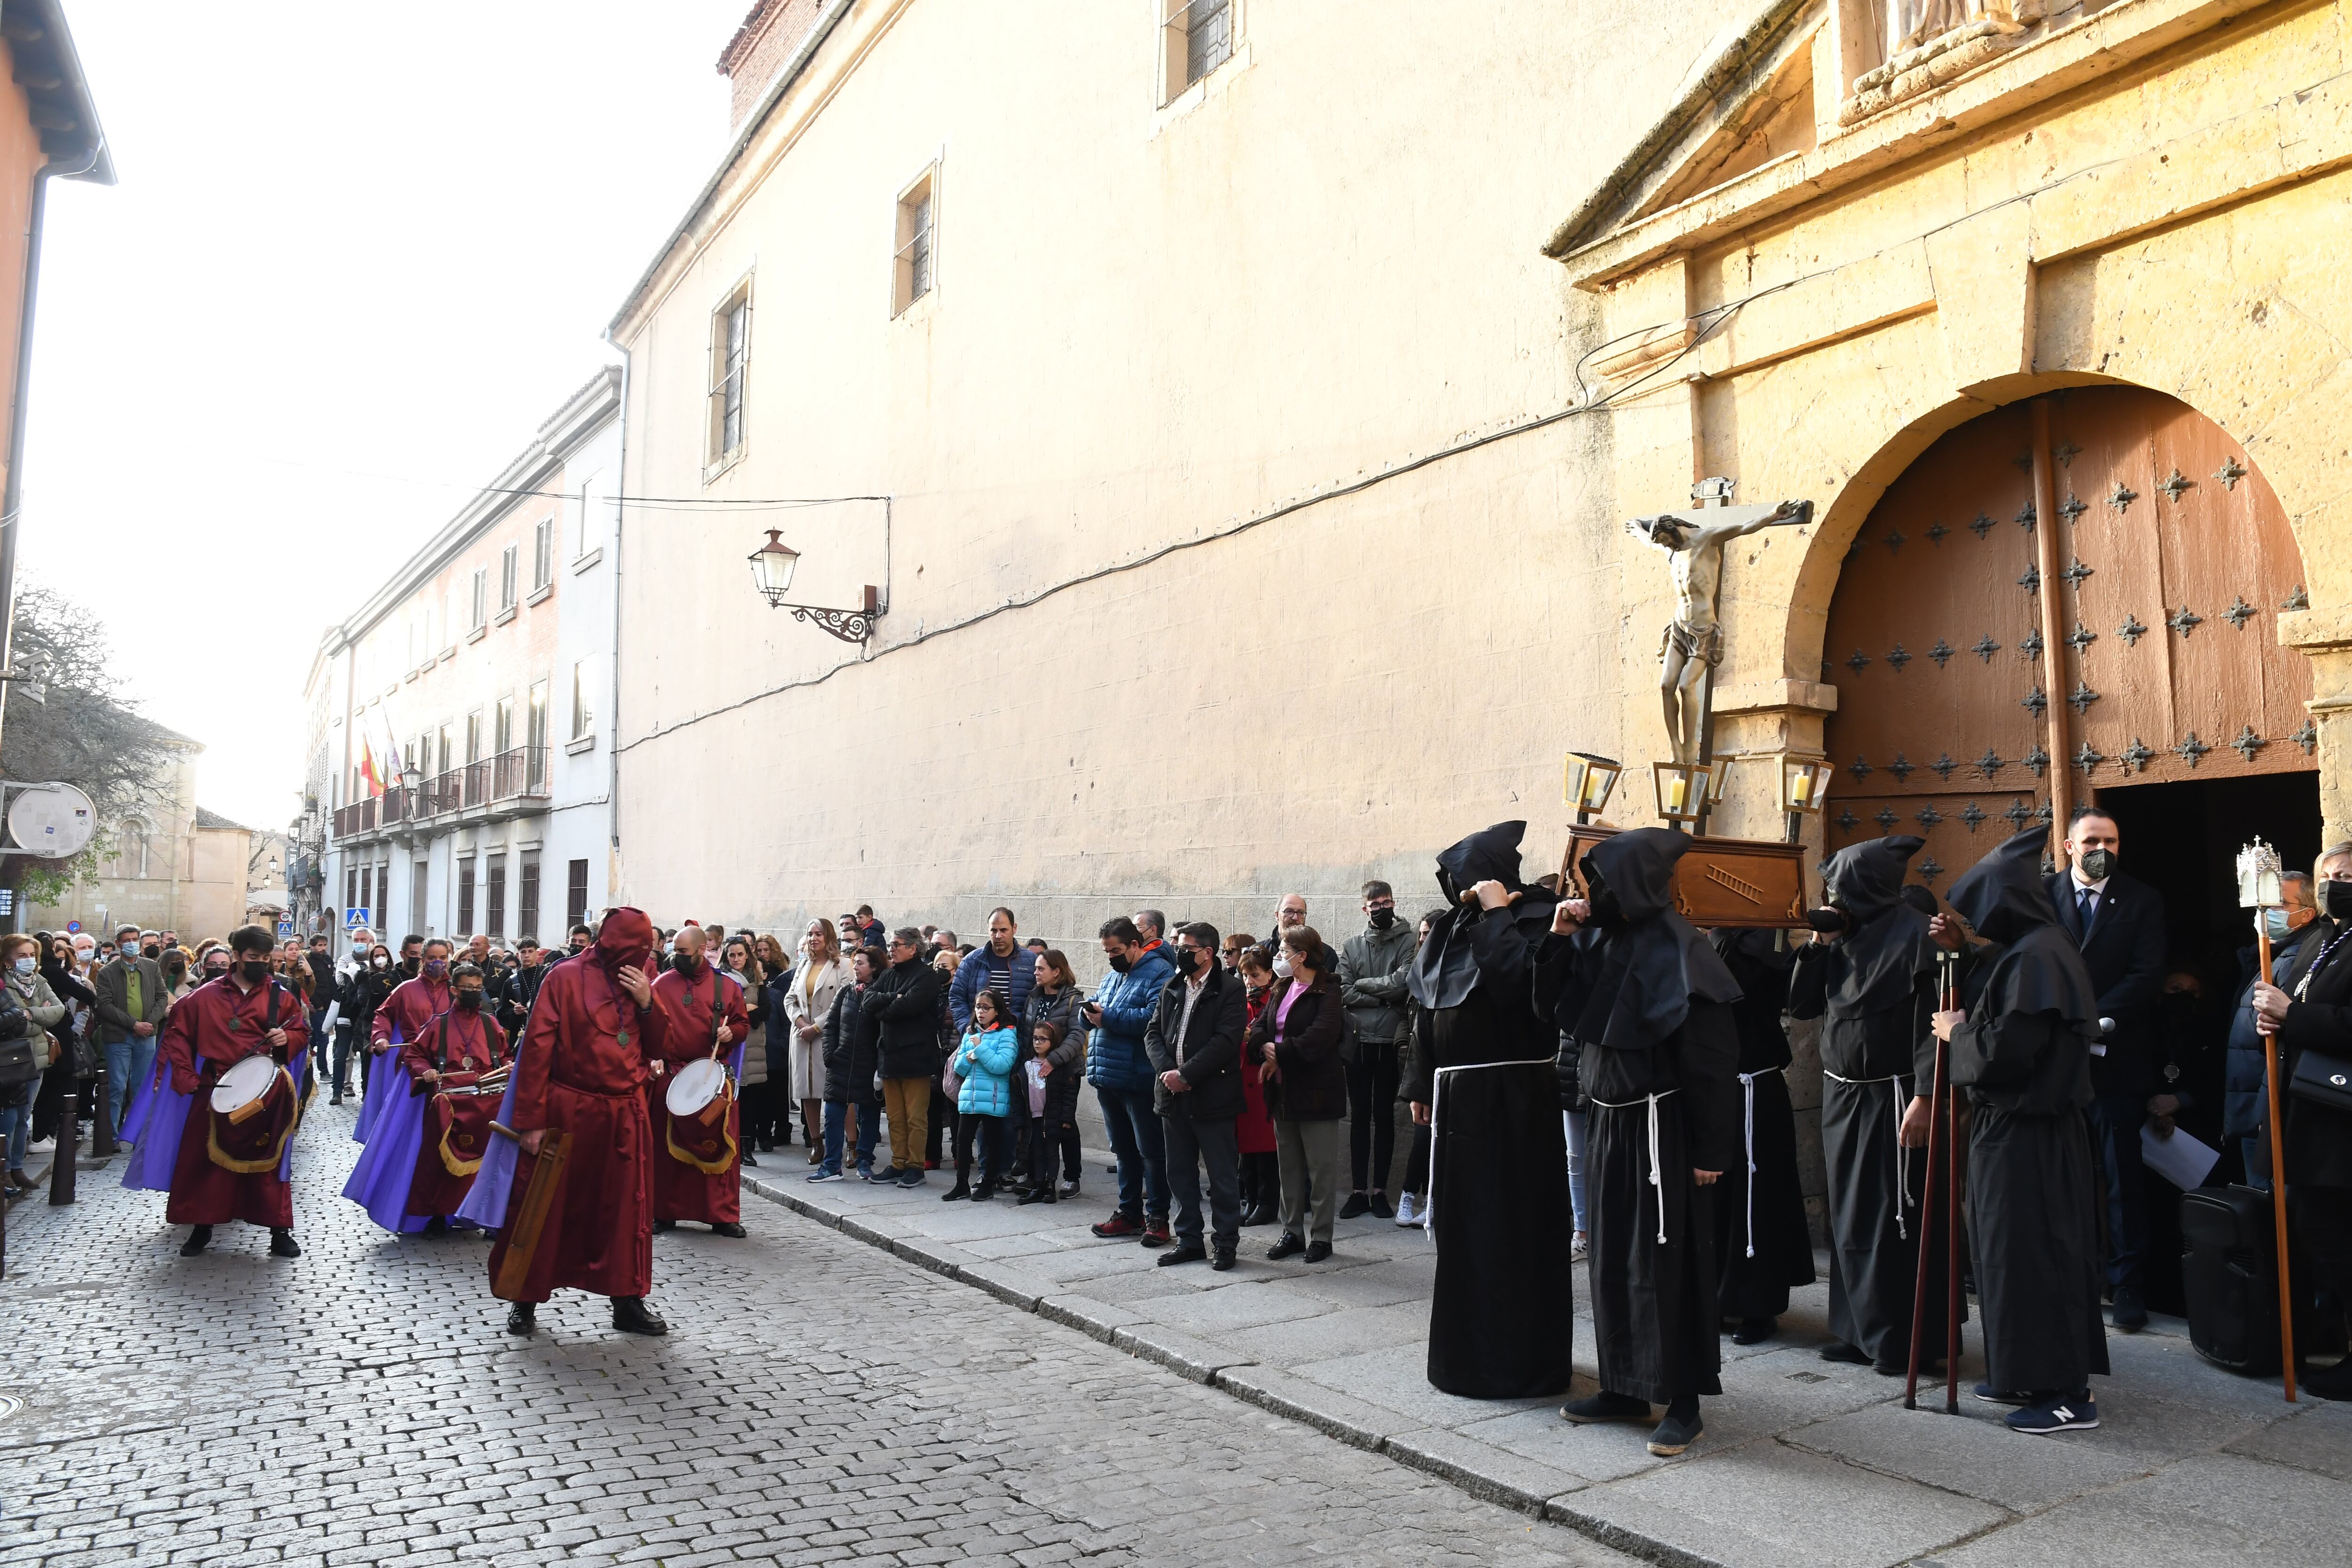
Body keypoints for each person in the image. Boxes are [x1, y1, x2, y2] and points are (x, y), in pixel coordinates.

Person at [1542, 828, 1739, 1456]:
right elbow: (1551, 1004)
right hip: (1608, 1124)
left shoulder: (1687, 955)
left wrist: (1712, 1151)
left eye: (1600, 884)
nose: (1590, 894)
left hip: (1666, 1134)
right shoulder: (1599, 941)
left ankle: (1683, 1402)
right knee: (1611, 1262)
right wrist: (1558, 938)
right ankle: (1625, 1384)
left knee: (1668, 1266)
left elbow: (1711, 1062)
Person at [1397, 825, 1576, 1399]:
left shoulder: (1539, 916)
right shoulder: (1450, 927)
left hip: (1516, 1104)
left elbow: (1520, 989)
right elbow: (1424, 1009)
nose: (1458, 890)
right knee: (1463, 1234)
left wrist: (1500, 914)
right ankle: (1464, 1360)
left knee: (1511, 1231)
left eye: (1467, 876)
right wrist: (1420, 1081)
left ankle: (1518, 1365)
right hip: (1457, 1102)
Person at [1939, 826, 2108, 1431]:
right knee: (2005, 1257)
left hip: (2030, 1136)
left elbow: (2009, 1051)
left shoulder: (2040, 955)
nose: (1981, 925)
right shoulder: (2031, 950)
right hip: (2008, 1132)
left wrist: (1954, 1033)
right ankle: (2022, 1373)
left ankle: (2065, 1394)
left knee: (2037, 1257)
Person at [1787, 835, 1957, 1373]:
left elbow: (1936, 1028)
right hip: (1842, 1094)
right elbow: (1801, 1005)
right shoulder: (1841, 938)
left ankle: (1901, 1338)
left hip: (1896, 1096)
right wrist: (1816, 946)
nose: (1834, 898)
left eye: (1841, 888)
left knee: (1893, 1215)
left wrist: (1926, 1097)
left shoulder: (1920, 938)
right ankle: (1856, 1328)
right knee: (1848, 1215)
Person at [481, 907, 672, 1336]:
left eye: (644, 951)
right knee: (542, 1204)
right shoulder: (563, 977)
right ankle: (523, 1298)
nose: (637, 959)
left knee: (626, 1209)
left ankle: (627, 1299)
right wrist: (530, 1120)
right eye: (630, 950)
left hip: (625, 1114)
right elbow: (535, 1053)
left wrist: (647, 1004)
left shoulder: (643, 983)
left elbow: (664, 1045)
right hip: (568, 1111)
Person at [2044, 806, 2167, 1333]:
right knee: (2054, 1174)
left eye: (2111, 841)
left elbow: (2146, 973)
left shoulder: (2141, 900)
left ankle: (2127, 1285)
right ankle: (2063, 1277)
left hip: (2114, 1061)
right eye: (2091, 840)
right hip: (2050, 1061)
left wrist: (2095, 1021)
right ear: (2068, 846)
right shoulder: (2040, 897)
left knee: (2121, 1179)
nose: (2102, 849)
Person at [2249, 842, 2352, 1397]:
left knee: (2336, 1233)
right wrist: (2274, 1017)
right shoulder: (2322, 937)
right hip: (2307, 1114)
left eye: (2347, 875)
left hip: (2341, 1121)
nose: (2337, 883)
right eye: (2329, 875)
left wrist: (2295, 1015)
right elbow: (2294, 1003)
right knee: (2318, 1230)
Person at [154, 925, 310, 1258]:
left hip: (266, 1092)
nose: (261, 964)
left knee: (270, 1162)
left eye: (267, 959)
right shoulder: (204, 996)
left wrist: (289, 1040)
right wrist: (187, 1077)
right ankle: (202, 1226)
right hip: (216, 1088)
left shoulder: (281, 996)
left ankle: (279, 1230)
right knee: (205, 1163)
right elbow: (177, 1034)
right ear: (237, 955)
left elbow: (300, 1030)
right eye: (254, 957)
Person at [1707, 929, 1818, 1344]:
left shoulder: (1767, 939)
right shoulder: (1710, 937)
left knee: (1759, 1200)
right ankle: (1718, 1296)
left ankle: (1759, 1304)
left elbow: (1756, 990)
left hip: (1756, 1086)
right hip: (1718, 1087)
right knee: (1718, 1197)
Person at [1144, 922, 1247, 1269]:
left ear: (1208, 952)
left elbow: (1226, 1041)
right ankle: (1189, 1239)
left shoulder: (1230, 989)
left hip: (1213, 1095)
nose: (1180, 953)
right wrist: (1168, 1073)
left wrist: (1187, 1075)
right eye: (1179, 947)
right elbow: (1153, 1033)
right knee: (1180, 1173)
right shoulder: (1172, 985)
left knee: (1221, 1176)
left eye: (1187, 948)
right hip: (1173, 1096)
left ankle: (1225, 1243)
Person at [1250, 925, 1348, 1263]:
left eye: (1284, 951)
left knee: (1320, 1169)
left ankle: (1321, 1237)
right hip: (1282, 1092)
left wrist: (1278, 1053)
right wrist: (1265, 1046)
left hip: (1316, 1092)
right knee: (1288, 1166)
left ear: (1301, 955)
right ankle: (1291, 1231)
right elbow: (1259, 1026)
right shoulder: (1281, 986)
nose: (1278, 956)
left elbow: (1320, 1037)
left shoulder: (1328, 989)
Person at [649, 925, 751, 1238]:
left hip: (712, 1076)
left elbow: (742, 1024)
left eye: (682, 952)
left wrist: (731, 1032)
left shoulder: (727, 986)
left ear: (702, 949)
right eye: (674, 951)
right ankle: (663, 1212)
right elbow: (646, 1026)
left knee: (720, 1148)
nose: (675, 957)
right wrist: (653, 1056)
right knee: (665, 1154)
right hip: (671, 1076)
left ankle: (723, 1215)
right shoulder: (661, 985)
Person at [1085, 916, 1176, 1245]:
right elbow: (1100, 1008)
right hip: (1108, 1075)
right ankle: (1129, 1213)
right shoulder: (1113, 976)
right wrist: (1089, 1015)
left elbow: (1154, 1019)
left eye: (1117, 950)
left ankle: (1158, 1218)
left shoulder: (1160, 972)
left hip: (1138, 1077)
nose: (1111, 956)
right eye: (1107, 951)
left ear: (1135, 944)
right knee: (1123, 1151)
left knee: (1151, 1152)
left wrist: (1106, 1017)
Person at [400, 960, 507, 1229]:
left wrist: (510, 1066)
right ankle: (439, 1214)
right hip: (450, 1099)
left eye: (478, 988)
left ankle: (485, 1216)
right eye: (467, 988)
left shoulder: (491, 1023)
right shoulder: (439, 1025)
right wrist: (425, 1071)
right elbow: (414, 1054)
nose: (474, 992)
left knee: (493, 1162)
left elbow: (505, 1057)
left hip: (489, 1100)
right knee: (439, 1160)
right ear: (454, 991)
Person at [2228, 871, 2317, 1186]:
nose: (2264, 912)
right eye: (2261, 902)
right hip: (2254, 1107)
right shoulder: (2268, 954)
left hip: (2269, 1112)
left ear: (2306, 913)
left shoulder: (2299, 957)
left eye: (2277, 904)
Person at [1339, 881, 1415, 1219]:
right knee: (1359, 1117)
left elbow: (1403, 984)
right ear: (1365, 908)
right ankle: (1358, 1191)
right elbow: (1342, 991)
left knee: (1385, 1117)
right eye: (1375, 903)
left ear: (1394, 902)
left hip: (1388, 1041)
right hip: (1358, 1043)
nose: (1382, 908)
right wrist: (1383, 996)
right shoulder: (1352, 945)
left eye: (1387, 902)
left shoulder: (1409, 940)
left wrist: (1365, 986)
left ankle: (1380, 1191)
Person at [869, 927, 945, 1188]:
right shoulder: (888, 975)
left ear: (914, 948)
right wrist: (890, 998)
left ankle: (915, 1166)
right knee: (894, 1115)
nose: (892, 949)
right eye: (891, 944)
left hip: (915, 1055)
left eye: (898, 945)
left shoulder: (927, 977)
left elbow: (908, 1007)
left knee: (915, 1116)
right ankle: (898, 1162)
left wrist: (884, 1008)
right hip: (889, 1054)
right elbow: (868, 1002)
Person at [812, 946, 882, 1182]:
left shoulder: (880, 992)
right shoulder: (845, 992)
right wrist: (830, 1055)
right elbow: (831, 1025)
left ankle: (864, 1161)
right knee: (832, 1113)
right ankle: (831, 1165)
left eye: (861, 963)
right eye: (855, 963)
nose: (856, 967)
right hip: (840, 1064)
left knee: (869, 1116)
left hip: (868, 1066)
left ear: (874, 967)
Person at [0, 936, 64, 1190]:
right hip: (10, 1061)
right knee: (8, 1117)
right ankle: (5, 1170)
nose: (29, 960)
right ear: (7, 961)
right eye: (22, 955)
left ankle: (17, 1167)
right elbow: (12, 1025)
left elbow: (57, 1011)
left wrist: (30, 1014)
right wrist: (39, 1016)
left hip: (36, 1059)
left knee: (23, 1116)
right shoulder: (4, 986)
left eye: (32, 955)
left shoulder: (39, 981)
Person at [943, 988, 1020, 1201]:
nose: (981, 1012)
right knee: (963, 1140)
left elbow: (1002, 1066)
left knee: (992, 1142)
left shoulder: (1007, 1033)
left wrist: (980, 1050)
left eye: (986, 1008)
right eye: (978, 1007)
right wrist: (969, 1057)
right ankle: (961, 1184)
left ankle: (988, 1183)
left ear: (997, 1011)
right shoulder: (970, 1032)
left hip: (994, 1098)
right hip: (970, 1096)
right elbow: (959, 1067)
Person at [1021, 947, 1084, 1202]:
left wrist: (1054, 1061)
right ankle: (1037, 1175)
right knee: (1037, 1122)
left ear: (1057, 972)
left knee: (1064, 1123)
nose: (1035, 973)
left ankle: (1072, 1177)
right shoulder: (1034, 997)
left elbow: (1077, 1035)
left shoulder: (1073, 999)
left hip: (1064, 1070)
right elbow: (1027, 1033)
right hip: (1036, 1068)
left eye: (1041, 969)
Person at [777, 920, 844, 1159]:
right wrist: (800, 1023)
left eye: (819, 934)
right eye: (810, 934)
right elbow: (789, 999)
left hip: (828, 1034)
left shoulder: (841, 965)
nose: (814, 938)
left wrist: (816, 1027)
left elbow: (841, 1002)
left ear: (828, 937)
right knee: (807, 1090)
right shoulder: (804, 965)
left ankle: (852, 1144)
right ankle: (816, 1142)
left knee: (838, 1091)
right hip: (802, 1035)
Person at [93, 924, 167, 1139]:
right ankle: (112, 1134)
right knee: (117, 1086)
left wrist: (150, 1023)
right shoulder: (107, 972)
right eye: (127, 940)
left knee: (143, 1086)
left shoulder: (151, 967)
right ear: (118, 943)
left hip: (147, 1035)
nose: (132, 944)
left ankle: (140, 1133)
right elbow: (104, 1005)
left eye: (135, 939)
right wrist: (134, 1024)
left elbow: (162, 996)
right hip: (118, 1037)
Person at [1234, 947, 1281, 1226]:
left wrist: (1253, 1037)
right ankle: (1250, 1199)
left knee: (1265, 1149)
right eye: (1245, 975)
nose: (1249, 981)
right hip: (1241, 1081)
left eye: (1255, 975)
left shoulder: (1274, 1000)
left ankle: (1267, 1203)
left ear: (1269, 974)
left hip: (1264, 1081)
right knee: (1245, 1150)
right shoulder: (1241, 1001)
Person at [720, 937, 770, 1167]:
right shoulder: (720, 979)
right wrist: (745, 1010)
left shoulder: (757, 979)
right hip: (729, 1044)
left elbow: (767, 1009)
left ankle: (747, 1148)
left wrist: (748, 1015)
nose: (737, 959)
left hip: (752, 1046)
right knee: (729, 1096)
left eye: (740, 955)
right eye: (732, 955)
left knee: (750, 1100)